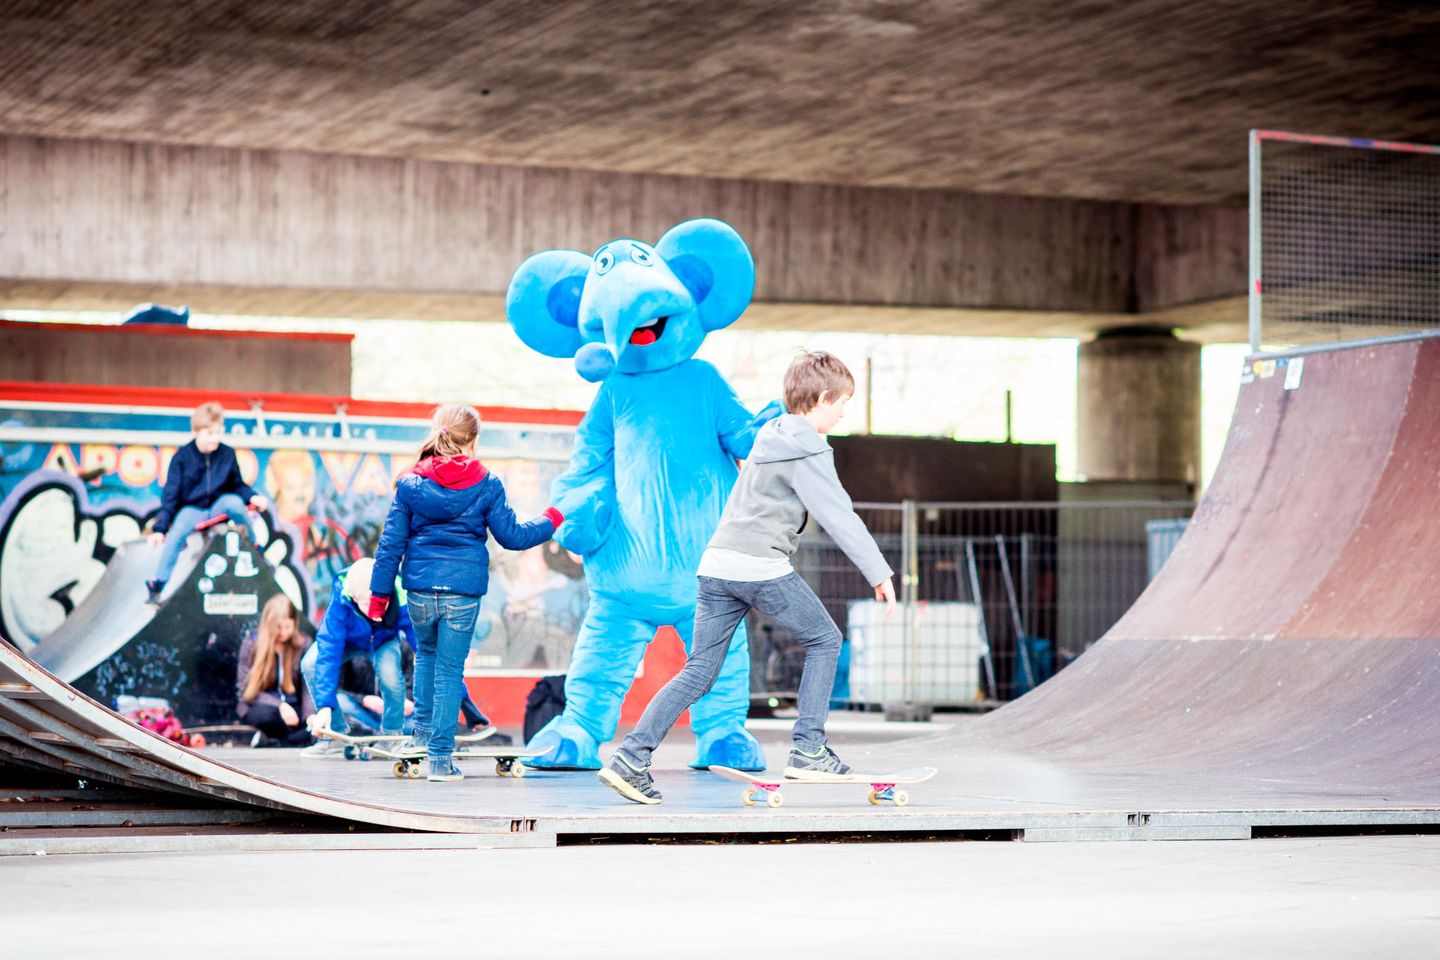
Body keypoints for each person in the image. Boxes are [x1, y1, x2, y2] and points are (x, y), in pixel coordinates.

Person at [599, 351, 897, 804]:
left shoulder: (769, 435)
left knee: (698, 670)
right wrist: (878, 572)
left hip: (717, 565)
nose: (843, 412)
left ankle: (630, 758)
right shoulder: (809, 446)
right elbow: (839, 515)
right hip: (759, 565)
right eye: (841, 403)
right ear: (820, 398)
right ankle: (809, 750)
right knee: (825, 640)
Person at [368, 404, 561, 782]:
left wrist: (378, 597)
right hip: (463, 591)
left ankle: (420, 737)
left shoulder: (410, 485)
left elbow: (390, 545)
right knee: (449, 670)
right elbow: (514, 536)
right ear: (472, 440)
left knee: (425, 657)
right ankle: (439, 759)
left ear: (437, 433)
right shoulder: (487, 484)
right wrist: (551, 520)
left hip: (420, 590)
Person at [145, 401, 268, 603]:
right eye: (210, 434)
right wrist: (159, 529)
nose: (215, 439)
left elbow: (237, 484)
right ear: (196, 432)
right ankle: (158, 584)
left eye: (218, 433)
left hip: (220, 504)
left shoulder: (227, 454)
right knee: (177, 532)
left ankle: (256, 549)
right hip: (192, 509)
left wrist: (253, 496)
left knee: (235, 502)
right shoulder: (181, 458)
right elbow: (170, 497)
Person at [299, 558, 413, 758]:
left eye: (381, 601)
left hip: (383, 641)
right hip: (348, 642)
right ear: (353, 598)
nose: (376, 609)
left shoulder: (400, 593)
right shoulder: (341, 600)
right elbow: (328, 652)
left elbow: (420, 642)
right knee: (310, 663)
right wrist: (325, 706)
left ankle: (392, 737)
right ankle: (334, 735)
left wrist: (447, 679)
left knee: (391, 677)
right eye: (367, 603)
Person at [235, 594, 315, 747]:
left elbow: (307, 688)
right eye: (278, 628)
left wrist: (309, 717)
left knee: (311, 726)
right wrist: (280, 705)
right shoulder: (252, 643)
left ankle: (275, 742)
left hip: (295, 708)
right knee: (267, 716)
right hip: (263, 706)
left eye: (287, 627)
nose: (283, 633)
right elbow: (247, 691)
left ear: (294, 624)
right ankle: (290, 740)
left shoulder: (303, 644)